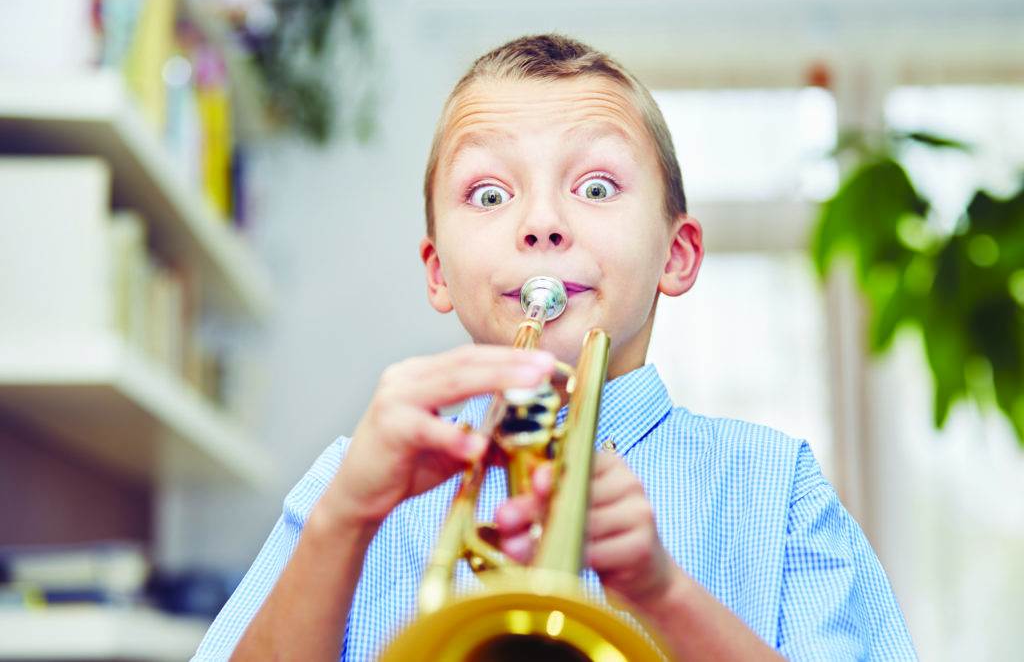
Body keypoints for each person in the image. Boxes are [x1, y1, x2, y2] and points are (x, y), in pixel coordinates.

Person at [193, 34, 916, 661]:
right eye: (487, 195)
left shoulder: (775, 487)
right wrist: (344, 521)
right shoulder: (348, 485)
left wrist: (664, 592)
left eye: (596, 187)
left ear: (678, 254)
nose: (541, 223)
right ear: (439, 272)